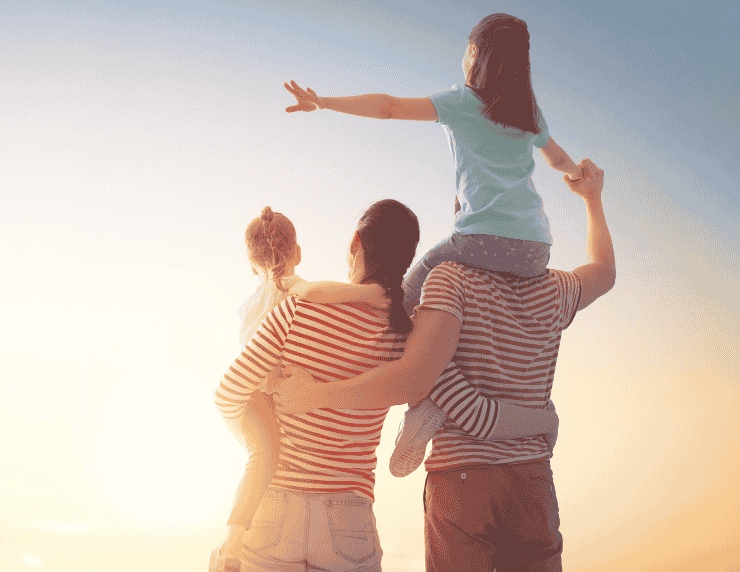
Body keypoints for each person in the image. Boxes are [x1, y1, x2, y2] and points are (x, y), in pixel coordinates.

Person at [283, 13, 589, 475]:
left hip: (481, 241)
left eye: (467, 47)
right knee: (448, 317)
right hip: (535, 250)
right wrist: (578, 176)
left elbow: (389, 107)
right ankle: (453, 399)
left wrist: (323, 102)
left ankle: (426, 404)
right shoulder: (529, 114)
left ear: (475, 54)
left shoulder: (463, 101)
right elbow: (559, 157)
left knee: (401, 301)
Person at [275, 160, 616, 571]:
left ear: (465, 216)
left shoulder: (448, 279)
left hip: (462, 477)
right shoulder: (555, 288)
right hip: (532, 477)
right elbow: (604, 272)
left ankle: (428, 416)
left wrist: (316, 392)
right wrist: (592, 200)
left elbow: (414, 371)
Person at [215, 199, 560, 572]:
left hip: (274, 508)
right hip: (348, 516)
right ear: (406, 261)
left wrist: (262, 449)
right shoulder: (405, 336)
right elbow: (459, 399)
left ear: (355, 243)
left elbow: (228, 394)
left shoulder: (296, 310)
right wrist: (541, 420)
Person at [211, 205, 394, 572]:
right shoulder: (397, 330)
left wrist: (253, 438)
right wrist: (371, 296)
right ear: (297, 252)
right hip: (348, 511)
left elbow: (228, 393)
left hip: (275, 500)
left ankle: (232, 537)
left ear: (251, 262)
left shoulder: (283, 309)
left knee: (259, 457)